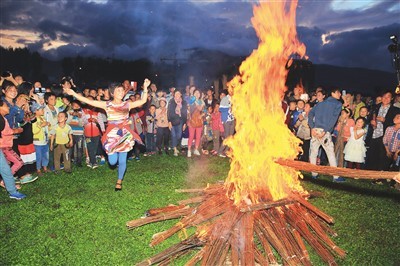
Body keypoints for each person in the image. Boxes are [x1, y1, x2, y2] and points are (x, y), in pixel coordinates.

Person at [64, 79, 150, 191]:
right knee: (113, 162)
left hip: (124, 134)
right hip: (112, 135)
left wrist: (146, 88)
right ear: (112, 93)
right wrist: (74, 93)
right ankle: (114, 157)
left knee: (123, 160)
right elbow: (89, 102)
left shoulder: (127, 104)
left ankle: (119, 181)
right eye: (118, 90)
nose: (121, 92)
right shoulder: (107, 105)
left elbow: (143, 101)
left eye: (122, 90)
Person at [308, 88, 343, 182]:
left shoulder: (320, 103)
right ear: (333, 93)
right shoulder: (338, 104)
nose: (340, 94)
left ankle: (313, 174)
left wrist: (312, 127)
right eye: (338, 92)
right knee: (330, 154)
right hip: (324, 132)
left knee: (313, 153)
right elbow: (334, 119)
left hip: (315, 130)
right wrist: (326, 131)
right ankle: (336, 177)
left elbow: (310, 113)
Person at [366, 90, 400, 172]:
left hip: (386, 136)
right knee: (372, 154)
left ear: (391, 98)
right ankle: (370, 173)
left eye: (388, 97)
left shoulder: (395, 110)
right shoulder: (375, 107)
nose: (386, 98)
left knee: (383, 157)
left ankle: (380, 175)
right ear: (381, 97)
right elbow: (369, 119)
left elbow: (396, 123)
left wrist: (385, 120)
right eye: (384, 96)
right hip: (374, 134)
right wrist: (371, 122)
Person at [83, 96, 105, 169]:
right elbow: (82, 122)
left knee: (95, 148)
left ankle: (92, 161)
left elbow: (101, 122)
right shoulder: (84, 111)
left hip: (96, 133)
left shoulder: (97, 112)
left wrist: (103, 131)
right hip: (87, 133)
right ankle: (93, 162)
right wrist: (88, 120)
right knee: (89, 147)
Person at [31, 102, 50, 175]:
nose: (43, 111)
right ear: (36, 111)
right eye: (41, 109)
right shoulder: (34, 120)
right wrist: (41, 125)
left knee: (45, 155)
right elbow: (34, 131)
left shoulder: (43, 118)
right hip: (37, 142)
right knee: (38, 156)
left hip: (44, 141)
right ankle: (38, 169)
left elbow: (46, 129)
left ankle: (45, 167)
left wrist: (48, 125)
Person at [167, 90, 188, 156]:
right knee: (173, 135)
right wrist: (169, 121)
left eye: (178, 93)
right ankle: (175, 149)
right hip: (172, 121)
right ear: (174, 94)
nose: (177, 95)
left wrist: (185, 123)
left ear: (181, 94)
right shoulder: (171, 101)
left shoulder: (184, 102)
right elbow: (168, 112)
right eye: (176, 94)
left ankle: (172, 145)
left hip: (180, 121)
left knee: (179, 136)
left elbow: (185, 113)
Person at [67, 100, 85, 167]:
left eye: (78, 106)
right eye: (75, 106)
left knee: (79, 148)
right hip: (70, 133)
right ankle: (69, 162)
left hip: (79, 133)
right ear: (72, 106)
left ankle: (79, 162)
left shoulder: (82, 113)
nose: (76, 107)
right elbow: (67, 122)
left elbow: (81, 124)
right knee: (70, 148)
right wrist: (72, 116)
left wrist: (79, 117)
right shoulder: (69, 112)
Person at [187, 89, 205, 157]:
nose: (197, 94)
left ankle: (196, 149)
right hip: (192, 121)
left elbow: (205, 110)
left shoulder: (201, 101)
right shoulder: (192, 100)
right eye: (196, 93)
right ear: (193, 94)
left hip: (199, 122)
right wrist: (200, 100)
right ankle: (189, 150)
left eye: (199, 93)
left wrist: (202, 115)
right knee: (191, 136)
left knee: (198, 136)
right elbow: (199, 108)